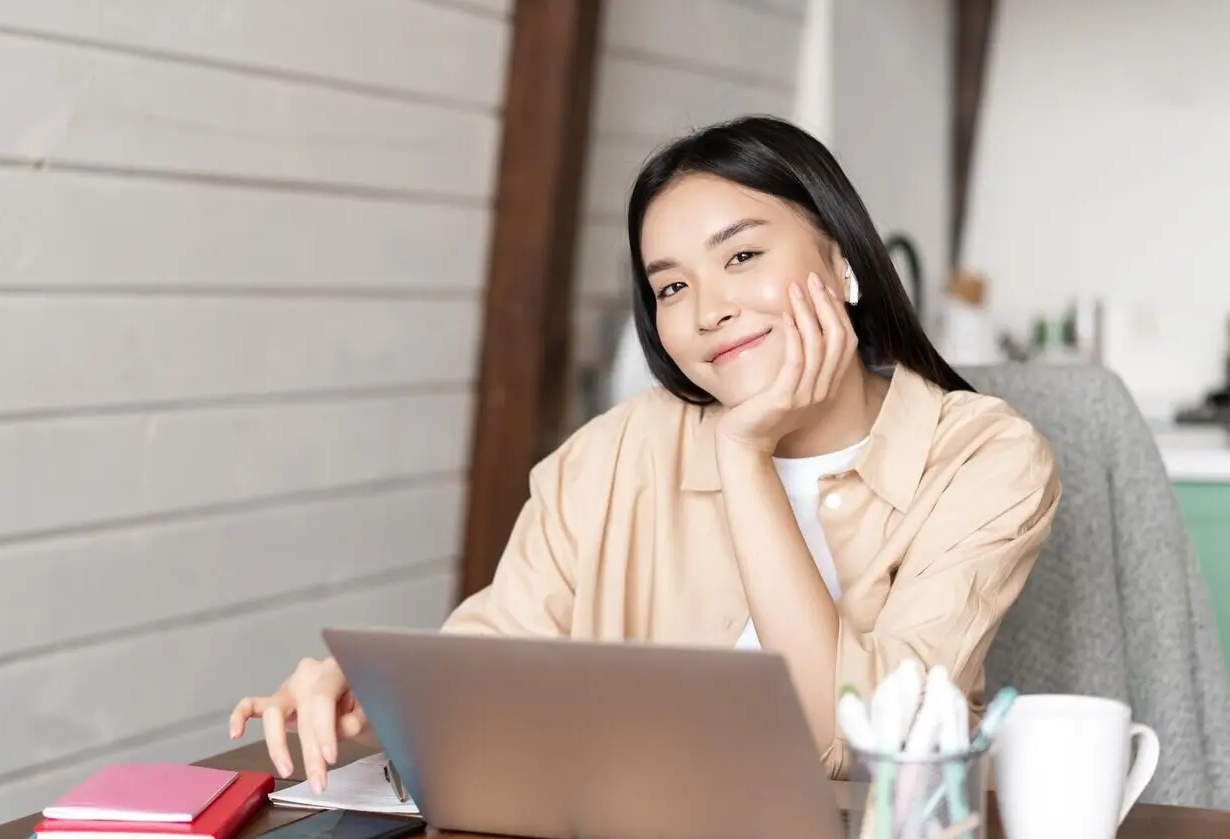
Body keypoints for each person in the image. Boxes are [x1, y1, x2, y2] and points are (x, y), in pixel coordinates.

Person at [229, 115, 1062, 794]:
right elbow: (491, 666)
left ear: (842, 259)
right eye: (671, 287)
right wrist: (367, 697)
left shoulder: (984, 459)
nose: (707, 311)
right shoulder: (615, 453)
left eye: (742, 256)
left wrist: (745, 454)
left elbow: (857, 736)